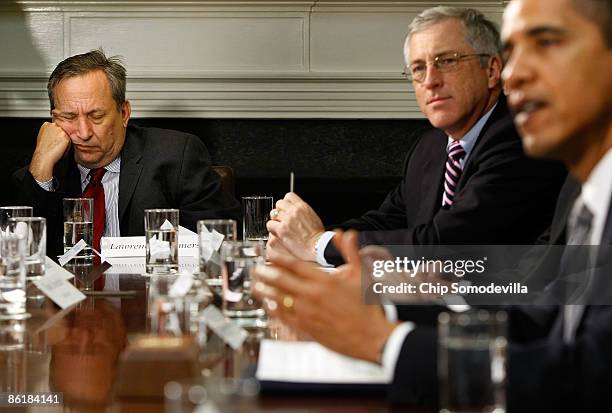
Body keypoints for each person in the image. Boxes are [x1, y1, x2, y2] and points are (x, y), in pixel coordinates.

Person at [254, 0, 612, 410]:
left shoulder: (522, 146)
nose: (517, 73)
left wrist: (386, 340)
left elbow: (591, 377)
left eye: (547, 42)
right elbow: (540, 310)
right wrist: (401, 300)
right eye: (419, 69)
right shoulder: (581, 187)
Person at [266, 7, 565, 266]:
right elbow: (385, 221)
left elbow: (445, 244)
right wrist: (299, 238)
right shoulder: (431, 146)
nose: (431, 81)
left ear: (491, 70)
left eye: (447, 61)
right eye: (419, 68)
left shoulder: (521, 137)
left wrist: (319, 244)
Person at [12, 50, 240, 258]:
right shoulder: (40, 176)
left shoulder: (176, 156)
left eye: (96, 116)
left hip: (150, 298)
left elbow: (221, 242)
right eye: (68, 117)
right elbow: (17, 258)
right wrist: (41, 169)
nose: (83, 133)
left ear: (123, 113)